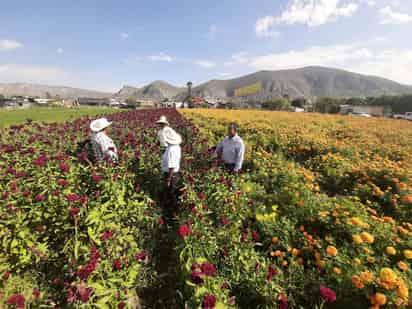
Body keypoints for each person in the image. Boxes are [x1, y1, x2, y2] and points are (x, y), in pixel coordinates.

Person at [156, 115, 182, 213]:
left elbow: (171, 166)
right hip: (173, 174)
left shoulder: (172, 149)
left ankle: (171, 213)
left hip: (172, 175)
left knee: (172, 195)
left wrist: (168, 180)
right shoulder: (174, 147)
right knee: (172, 195)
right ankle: (171, 211)